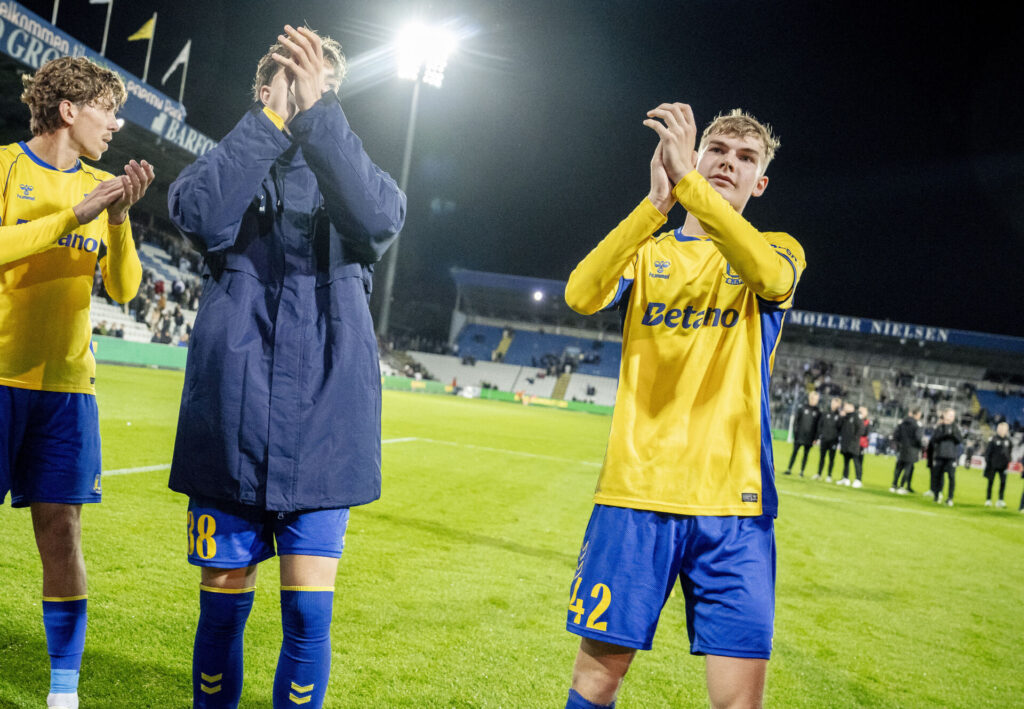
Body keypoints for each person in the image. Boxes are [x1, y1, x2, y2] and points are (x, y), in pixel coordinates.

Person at [166, 26, 404, 709]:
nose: (300, 87)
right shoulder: (232, 168)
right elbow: (199, 210)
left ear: (333, 93)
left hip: (327, 426)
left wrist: (320, 116)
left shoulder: (354, 177)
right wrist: (270, 120)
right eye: (286, 76)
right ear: (263, 90)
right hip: (229, 423)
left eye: (316, 78)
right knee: (220, 609)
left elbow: (381, 218)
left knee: (307, 614)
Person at [563, 104, 804, 709]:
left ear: (761, 182)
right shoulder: (648, 253)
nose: (730, 162)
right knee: (596, 683)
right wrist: (656, 205)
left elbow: (770, 280)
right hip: (635, 497)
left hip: (735, 508)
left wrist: (691, 185)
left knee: (737, 702)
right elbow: (580, 293)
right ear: (696, 157)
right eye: (717, 150)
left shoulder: (777, 250)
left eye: (746, 158)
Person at [0, 57, 153, 709]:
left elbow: (123, 288)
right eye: (106, 110)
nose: (116, 125)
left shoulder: (103, 189)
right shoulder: (7, 164)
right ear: (69, 110)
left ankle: (64, 692)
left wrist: (115, 220)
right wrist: (72, 214)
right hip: (0, 379)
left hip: (69, 392)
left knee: (61, 533)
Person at [927, 408, 962, 506]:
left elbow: (959, 440)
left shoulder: (955, 428)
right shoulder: (940, 427)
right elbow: (934, 439)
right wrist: (944, 435)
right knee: (938, 476)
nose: (952, 417)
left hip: (951, 456)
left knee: (951, 477)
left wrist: (952, 434)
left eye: (953, 416)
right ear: (945, 415)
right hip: (940, 455)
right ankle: (937, 495)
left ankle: (950, 498)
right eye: (950, 415)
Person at [784, 390, 820, 476]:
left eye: (815, 399)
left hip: (809, 438)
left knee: (806, 455)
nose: (813, 400)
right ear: (809, 398)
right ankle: (789, 469)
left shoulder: (818, 412)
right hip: (799, 436)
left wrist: (815, 438)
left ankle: (802, 471)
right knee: (794, 452)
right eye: (812, 398)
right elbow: (796, 422)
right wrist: (795, 433)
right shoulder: (802, 408)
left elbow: (818, 426)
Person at [890, 408, 923, 493]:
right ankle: (902, 486)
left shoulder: (903, 423)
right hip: (912, 449)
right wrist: (920, 446)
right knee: (908, 468)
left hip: (902, 447)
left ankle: (894, 485)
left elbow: (896, 434)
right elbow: (918, 438)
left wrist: (898, 444)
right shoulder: (917, 425)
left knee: (899, 467)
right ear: (916, 415)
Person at [982, 422, 1013, 508]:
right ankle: (988, 499)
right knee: (990, 482)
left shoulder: (1008, 441)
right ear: (998, 429)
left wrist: (1008, 460)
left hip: (1003, 466)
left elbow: (1009, 452)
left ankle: (1000, 500)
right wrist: (988, 463)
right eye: (1001, 428)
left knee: (1003, 483)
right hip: (993, 465)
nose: (1002, 430)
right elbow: (988, 452)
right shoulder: (993, 440)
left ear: (1007, 430)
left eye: (1004, 429)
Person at [813, 396, 842, 481]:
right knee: (822, 457)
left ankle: (829, 475)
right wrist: (818, 436)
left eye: (835, 403)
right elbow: (820, 425)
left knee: (831, 458)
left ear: (838, 404)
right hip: (824, 439)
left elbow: (840, 428)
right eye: (832, 402)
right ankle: (819, 473)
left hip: (833, 440)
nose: (833, 404)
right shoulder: (825, 413)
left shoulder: (839, 415)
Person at [837, 402, 866, 487]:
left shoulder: (857, 416)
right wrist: (841, 417)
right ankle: (845, 477)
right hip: (845, 443)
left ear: (851, 407)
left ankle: (858, 479)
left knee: (856, 461)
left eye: (846, 406)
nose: (844, 407)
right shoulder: (845, 417)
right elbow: (839, 426)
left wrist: (854, 439)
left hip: (853, 444)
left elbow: (861, 429)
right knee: (846, 462)